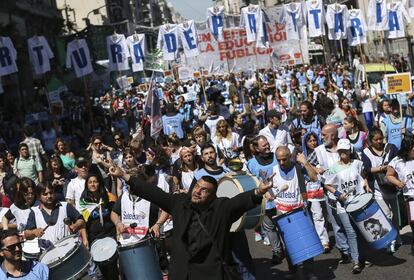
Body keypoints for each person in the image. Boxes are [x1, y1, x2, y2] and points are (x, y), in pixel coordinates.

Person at [109, 165, 273, 280]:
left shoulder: (220, 208)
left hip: (210, 272)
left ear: (212, 196)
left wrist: (258, 191)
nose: (197, 191)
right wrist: (124, 176)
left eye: (204, 190)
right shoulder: (180, 203)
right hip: (182, 272)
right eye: (197, 187)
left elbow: (239, 202)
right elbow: (154, 193)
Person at [324, 139, 371, 274]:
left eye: (345, 150)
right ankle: (356, 261)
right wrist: (338, 193)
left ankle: (363, 257)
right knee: (351, 232)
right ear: (338, 152)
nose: (343, 153)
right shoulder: (334, 168)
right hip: (343, 205)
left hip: (359, 201)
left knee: (362, 230)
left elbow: (363, 175)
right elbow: (327, 184)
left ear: (350, 151)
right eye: (340, 151)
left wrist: (366, 184)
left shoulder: (357, 163)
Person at [362, 128, 399, 253]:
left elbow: (398, 162)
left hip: (393, 187)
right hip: (378, 190)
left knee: (395, 215)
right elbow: (367, 169)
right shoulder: (366, 152)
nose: (379, 141)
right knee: (386, 214)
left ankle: (397, 237)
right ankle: (390, 242)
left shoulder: (391, 148)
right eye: (376, 140)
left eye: (380, 139)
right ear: (370, 141)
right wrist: (382, 168)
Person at [246, 136, 283, 263]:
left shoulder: (277, 157)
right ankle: (277, 251)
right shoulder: (251, 163)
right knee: (269, 228)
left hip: (281, 198)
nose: (267, 146)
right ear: (256, 148)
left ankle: (290, 249)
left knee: (284, 226)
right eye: (264, 145)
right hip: (265, 202)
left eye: (267, 144)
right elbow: (251, 182)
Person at [25, 182, 86, 250]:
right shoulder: (34, 212)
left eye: (51, 193)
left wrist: (76, 225)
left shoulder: (65, 206)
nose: (49, 196)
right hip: (47, 255)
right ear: (39, 196)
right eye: (45, 194)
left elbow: (81, 220)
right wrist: (34, 232)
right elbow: (26, 234)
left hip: (68, 250)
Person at [81, 174, 118, 280]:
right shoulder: (84, 201)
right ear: (87, 185)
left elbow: (115, 214)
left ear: (99, 183)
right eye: (90, 182)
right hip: (95, 238)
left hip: (110, 234)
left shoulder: (108, 197)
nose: (93, 184)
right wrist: (85, 238)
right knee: (102, 266)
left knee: (112, 265)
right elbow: (83, 222)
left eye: (95, 181)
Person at [302, 132, 330, 252]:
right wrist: (313, 168)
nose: (313, 143)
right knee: (317, 214)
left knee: (328, 213)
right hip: (312, 187)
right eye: (310, 141)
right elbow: (304, 169)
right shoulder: (303, 156)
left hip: (326, 185)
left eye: (314, 140)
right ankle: (324, 241)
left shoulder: (323, 152)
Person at [386, 139, 414, 255]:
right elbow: (389, 175)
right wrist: (398, 183)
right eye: (412, 147)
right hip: (410, 197)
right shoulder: (397, 161)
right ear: (407, 149)